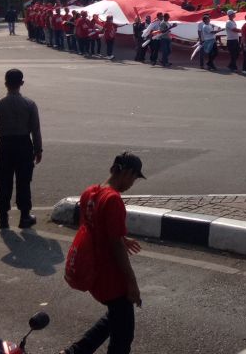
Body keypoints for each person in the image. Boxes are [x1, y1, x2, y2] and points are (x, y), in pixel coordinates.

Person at [59, 152, 146, 354]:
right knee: (123, 336)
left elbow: (92, 227)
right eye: (134, 178)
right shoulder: (113, 200)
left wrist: (122, 238)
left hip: (95, 274)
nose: (132, 183)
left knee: (114, 318)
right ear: (127, 172)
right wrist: (132, 284)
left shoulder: (90, 193)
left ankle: (75, 351)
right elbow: (115, 246)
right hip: (111, 277)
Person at [0, 68, 42, 230]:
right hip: (24, 145)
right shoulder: (30, 104)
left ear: (5, 83)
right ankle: (24, 217)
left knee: (3, 181)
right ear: (21, 83)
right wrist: (38, 150)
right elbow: (35, 130)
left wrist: (0, 129)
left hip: (5, 145)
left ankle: (3, 218)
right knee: (24, 181)